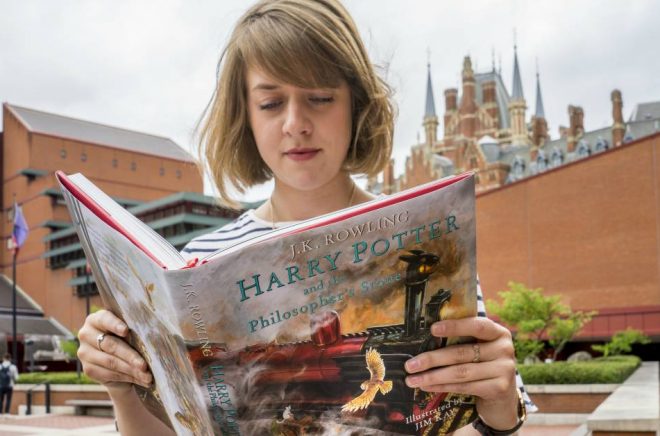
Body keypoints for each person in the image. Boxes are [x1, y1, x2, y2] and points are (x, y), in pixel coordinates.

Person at [76, 1, 535, 434]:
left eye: (319, 97)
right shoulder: (196, 264)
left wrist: (498, 412)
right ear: (247, 117)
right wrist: (122, 387)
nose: (295, 122)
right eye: (271, 103)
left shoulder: (434, 244)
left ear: (356, 105)